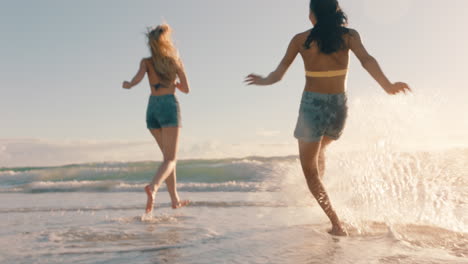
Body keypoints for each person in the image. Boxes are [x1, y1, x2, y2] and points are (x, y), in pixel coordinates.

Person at [245, 0, 411, 236]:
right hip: (338, 106)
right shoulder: (349, 36)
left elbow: (279, 73)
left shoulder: (300, 39)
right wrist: (387, 85)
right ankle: (327, 200)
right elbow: (367, 60)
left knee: (309, 170)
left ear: (312, 14)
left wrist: (263, 80)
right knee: (321, 150)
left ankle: (336, 223)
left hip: (312, 106)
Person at [123, 24, 190, 214]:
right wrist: (174, 84)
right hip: (168, 106)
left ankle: (175, 199)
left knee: (167, 160)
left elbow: (134, 81)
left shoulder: (146, 62)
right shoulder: (175, 61)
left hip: (152, 108)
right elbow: (186, 89)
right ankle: (153, 187)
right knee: (170, 159)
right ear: (166, 42)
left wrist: (127, 85)